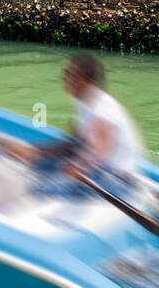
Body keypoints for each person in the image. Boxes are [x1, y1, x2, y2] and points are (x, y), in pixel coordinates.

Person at [10, 52, 145, 198]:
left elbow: (99, 154)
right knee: (37, 167)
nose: (63, 79)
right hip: (99, 171)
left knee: (37, 188)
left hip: (116, 182)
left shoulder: (102, 111)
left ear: (83, 79)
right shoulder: (86, 103)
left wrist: (78, 167)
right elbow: (70, 144)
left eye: (68, 74)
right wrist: (35, 152)